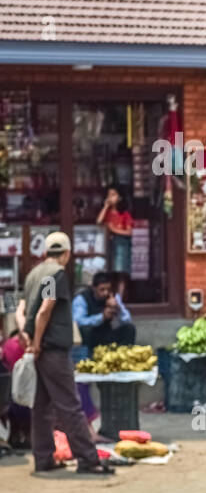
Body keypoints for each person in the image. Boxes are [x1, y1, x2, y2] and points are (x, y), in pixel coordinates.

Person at [20, 232, 114, 475]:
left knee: (40, 407)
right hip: (51, 351)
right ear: (66, 254)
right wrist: (38, 342)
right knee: (69, 405)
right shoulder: (55, 274)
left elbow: (20, 309)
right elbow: (44, 310)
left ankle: (43, 458)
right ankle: (88, 459)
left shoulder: (32, 275)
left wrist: (26, 336)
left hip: (37, 348)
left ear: (44, 252)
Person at [72, 272, 136, 352]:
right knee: (86, 330)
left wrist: (118, 309)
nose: (106, 293)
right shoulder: (82, 299)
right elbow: (78, 321)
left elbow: (127, 320)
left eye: (108, 289)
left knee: (129, 328)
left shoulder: (113, 297)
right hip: (92, 336)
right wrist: (102, 317)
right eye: (102, 290)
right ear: (94, 288)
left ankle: (123, 356)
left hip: (107, 333)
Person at [96, 186, 134, 284]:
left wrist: (114, 230)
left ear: (119, 198)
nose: (110, 197)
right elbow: (99, 222)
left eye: (113, 195)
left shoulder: (124, 214)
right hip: (109, 245)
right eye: (108, 195)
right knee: (110, 272)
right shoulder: (107, 213)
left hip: (121, 245)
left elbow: (129, 232)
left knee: (121, 272)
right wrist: (105, 206)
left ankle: (119, 297)